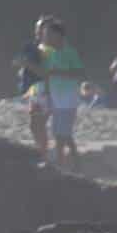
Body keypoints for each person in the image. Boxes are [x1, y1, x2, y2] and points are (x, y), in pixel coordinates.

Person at [42, 20, 85, 169]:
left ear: (58, 35)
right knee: (58, 132)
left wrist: (59, 72)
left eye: (47, 34)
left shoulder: (70, 52)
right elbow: (46, 75)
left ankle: (64, 163)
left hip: (68, 99)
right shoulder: (49, 53)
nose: (44, 37)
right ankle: (74, 161)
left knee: (63, 134)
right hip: (55, 98)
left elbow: (78, 72)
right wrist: (47, 95)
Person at [14, 15, 52, 159]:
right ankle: (43, 154)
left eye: (42, 27)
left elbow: (46, 73)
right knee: (36, 125)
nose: (37, 30)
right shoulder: (33, 46)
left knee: (38, 125)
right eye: (37, 27)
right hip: (36, 91)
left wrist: (26, 64)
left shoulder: (51, 49)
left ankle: (43, 156)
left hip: (46, 90)